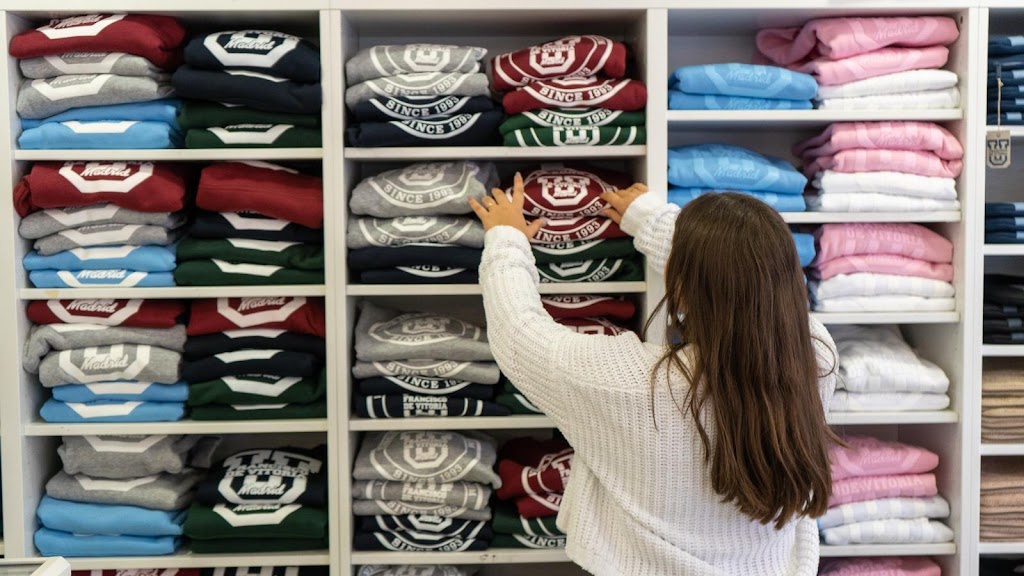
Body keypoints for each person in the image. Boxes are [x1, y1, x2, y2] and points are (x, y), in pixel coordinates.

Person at [470, 174, 839, 576]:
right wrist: (650, 219)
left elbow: (519, 333)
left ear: (679, 286)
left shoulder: (628, 382)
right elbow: (743, 285)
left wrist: (506, 237)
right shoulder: (814, 359)